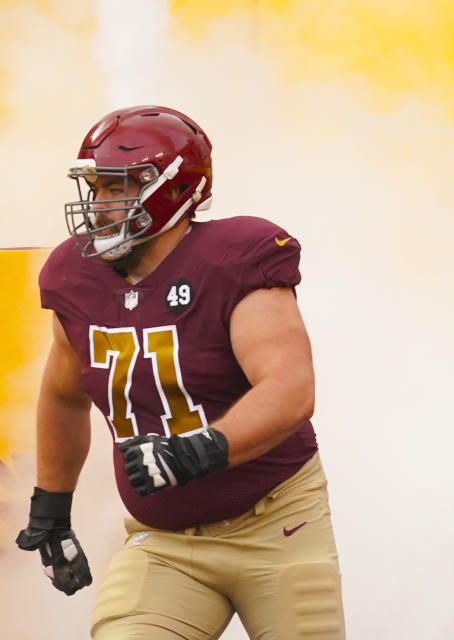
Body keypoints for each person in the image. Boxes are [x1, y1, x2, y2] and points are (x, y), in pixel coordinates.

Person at [14, 105, 345, 639]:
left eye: (115, 188)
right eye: (95, 188)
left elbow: (290, 388)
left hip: (278, 524)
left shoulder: (234, 258)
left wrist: (196, 450)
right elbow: (63, 395)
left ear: (172, 189)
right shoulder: (75, 277)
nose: (98, 206)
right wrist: (51, 508)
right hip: (164, 539)